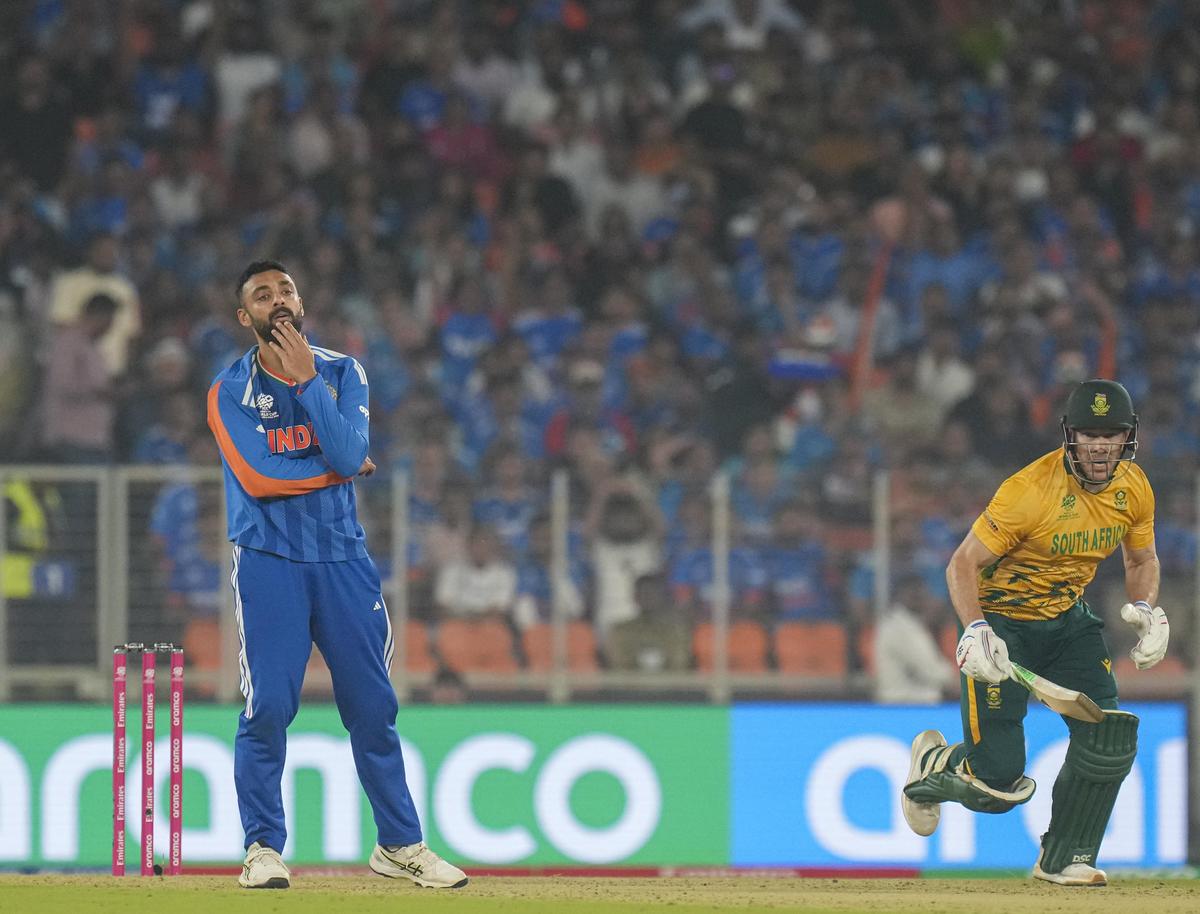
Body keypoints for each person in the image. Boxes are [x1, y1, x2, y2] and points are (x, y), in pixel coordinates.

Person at [206, 260, 467, 890]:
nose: (279, 300)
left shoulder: (343, 370)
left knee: (373, 707)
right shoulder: (227, 391)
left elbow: (350, 452)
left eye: (287, 289)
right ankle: (263, 848)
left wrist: (308, 385)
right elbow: (262, 479)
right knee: (268, 706)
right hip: (269, 562)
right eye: (263, 296)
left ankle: (399, 845)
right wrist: (341, 467)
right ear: (247, 318)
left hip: (344, 560)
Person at [901, 379, 1170, 887]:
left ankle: (1064, 856)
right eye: (1089, 434)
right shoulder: (1028, 491)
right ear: (1069, 436)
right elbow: (962, 564)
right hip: (1003, 627)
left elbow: (1142, 557)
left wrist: (1144, 608)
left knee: (1108, 734)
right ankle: (934, 765)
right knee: (997, 784)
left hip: (1068, 622)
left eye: (1111, 434)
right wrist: (976, 628)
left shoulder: (1133, 487)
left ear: (1127, 437)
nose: (1100, 445)